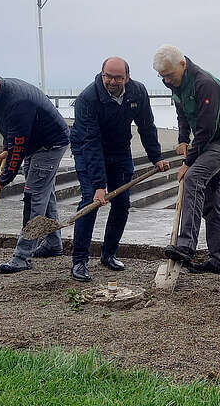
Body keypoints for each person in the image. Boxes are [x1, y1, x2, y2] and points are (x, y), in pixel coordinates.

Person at [68, 57, 170, 282]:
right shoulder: (88, 99)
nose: (112, 82)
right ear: (102, 74)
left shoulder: (137, 92)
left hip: (120, 149)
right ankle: (80, 261)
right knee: (90, 202)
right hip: (88, 149)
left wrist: (156, 158)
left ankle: (109, 254)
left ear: (127, 77)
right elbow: (91, 141)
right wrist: (98, 185)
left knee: (122, 203)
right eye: (108, 76)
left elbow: (146, 126)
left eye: (118, 77)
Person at [0, 69, 70, 273]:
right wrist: (7, 147)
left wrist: (3, 180)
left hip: (49, 144)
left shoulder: (17, 101)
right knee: (44, 194)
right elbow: (9, 128)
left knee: (33, 197)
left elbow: (19, 148)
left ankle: (23, 256)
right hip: (35, 141)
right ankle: (53, 243)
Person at [154, 45, 220, 274]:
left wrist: (188, 162)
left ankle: (185, 246)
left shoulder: (206, 83)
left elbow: (205, 129)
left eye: (170, 75)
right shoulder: (173, 82)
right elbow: (182, 114)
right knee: (212, 204)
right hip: (207, 140)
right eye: (162, 76)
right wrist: (183, 139)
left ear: (182, 64)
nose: (167, 80)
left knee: (193, 178)